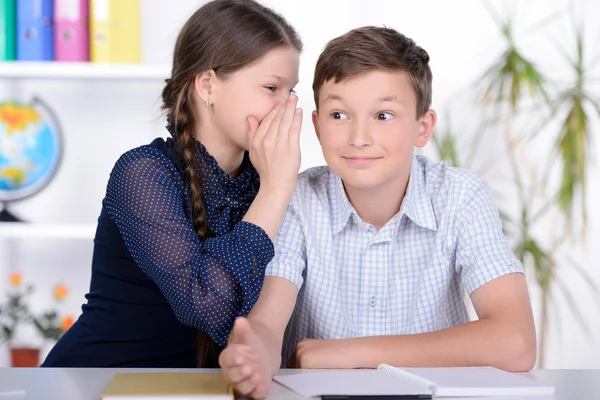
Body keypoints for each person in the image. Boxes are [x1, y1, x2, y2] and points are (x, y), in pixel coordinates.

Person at [219, 26, 537, 398]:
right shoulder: (297, 199)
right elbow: (268, 326)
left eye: (383, 116)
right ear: (318, 127)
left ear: (423, 127)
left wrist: (353, 352)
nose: (359, 137)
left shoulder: (460, 196)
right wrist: (254, 351)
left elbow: (516, 342)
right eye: (340, 115)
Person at [41, 0, 303, 368]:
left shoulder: (266, 181)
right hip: (100, 382)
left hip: (199, 390)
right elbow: (207, 305)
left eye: (291, 92)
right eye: (271, 88)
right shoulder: (143, 173)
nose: (286, 107)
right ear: (208, 85)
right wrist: (276, 189)